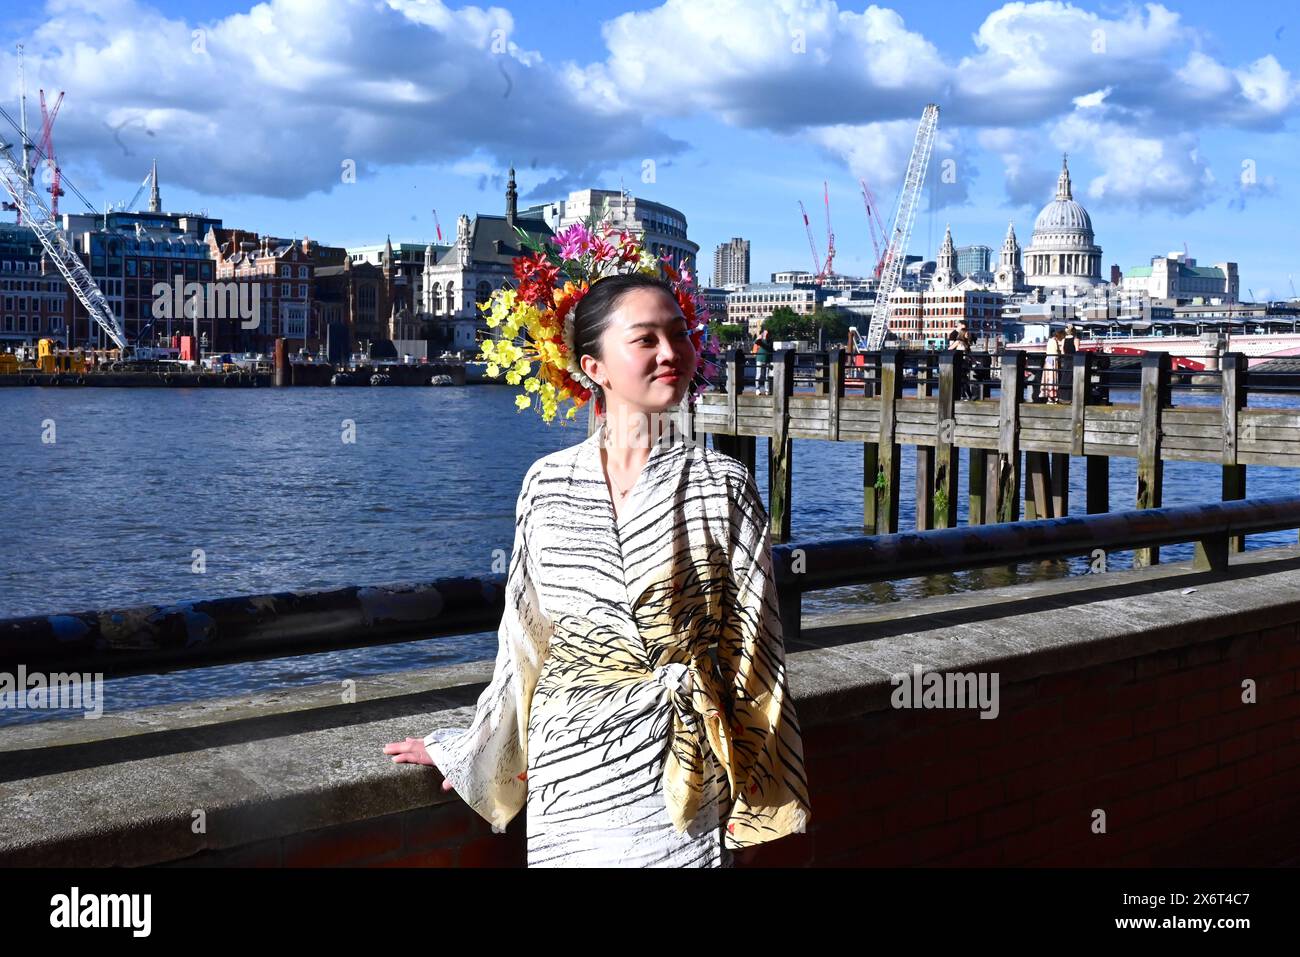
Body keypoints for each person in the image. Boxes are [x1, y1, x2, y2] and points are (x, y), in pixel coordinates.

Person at [384, 272, 810, 868]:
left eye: (681, 334)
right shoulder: (547, 484)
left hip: (681, 772)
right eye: (646, 339)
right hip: (570, 772)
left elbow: (757, 653)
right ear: (595, 367)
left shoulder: (724, 486)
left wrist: (757, 792)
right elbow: (525, 642)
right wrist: (476, 749)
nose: (671, 352)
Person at [1042, 328, 1064, 403]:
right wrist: (1060, 351)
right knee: (1053, 378)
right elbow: (1056, 353)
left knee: (1049, 379)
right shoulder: (1054, 341)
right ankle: (1052, 396)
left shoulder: (1050, 340)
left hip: (1049, 361)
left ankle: (1050, 396)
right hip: (1053, 361)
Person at [754, 326, 774, 395]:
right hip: (759, 358)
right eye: (765, 333)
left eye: (767, 333)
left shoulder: (770, 341)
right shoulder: (760, 340)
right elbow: (756, 342)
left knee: (766, 376)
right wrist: (759, 337)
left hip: (767, 359)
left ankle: (766, 390)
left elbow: (770, 349)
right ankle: (757, 389)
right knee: (758, 375)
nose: (766, 334)